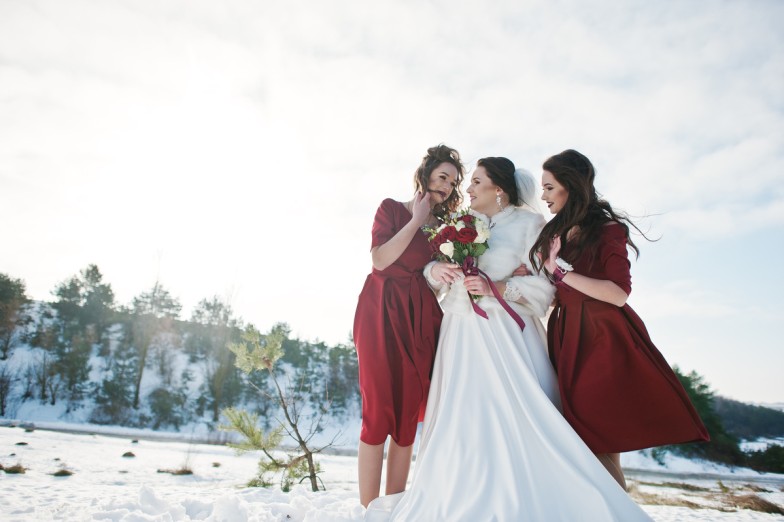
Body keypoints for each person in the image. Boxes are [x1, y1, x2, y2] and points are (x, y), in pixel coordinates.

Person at [366, 157, 652, 521]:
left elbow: (546, 288)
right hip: (459, 334)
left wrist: (499, 286)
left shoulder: (530, 225)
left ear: (498, 189)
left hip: (506, 334)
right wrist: (434, 268)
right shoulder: (461, 225)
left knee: (520, 417)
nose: (466, 190)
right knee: (461, 418)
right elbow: (430, 273)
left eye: (475, 182)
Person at [531, 149, 710, 489]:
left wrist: (559, 272)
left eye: (549, 187)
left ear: (570, 185)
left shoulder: (607, 229)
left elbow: (618, 293)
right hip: (567, 335)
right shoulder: (559, 231)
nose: (543, 196)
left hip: (601, 337)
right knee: (598, 441)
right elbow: (559, 289)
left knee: (594, 437)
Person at [353, 144, 465, 508]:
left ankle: (393, 510)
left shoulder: (446, 230)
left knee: (405, 416)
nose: (446, 186)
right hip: (380, 311)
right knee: (377, 410)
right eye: (442, 176)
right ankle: (369, 511)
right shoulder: (391, 209)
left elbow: (436, 276)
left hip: (420, 317)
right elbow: (381, 261)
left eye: (452, 181)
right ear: (426, 174)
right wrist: (416, 219)